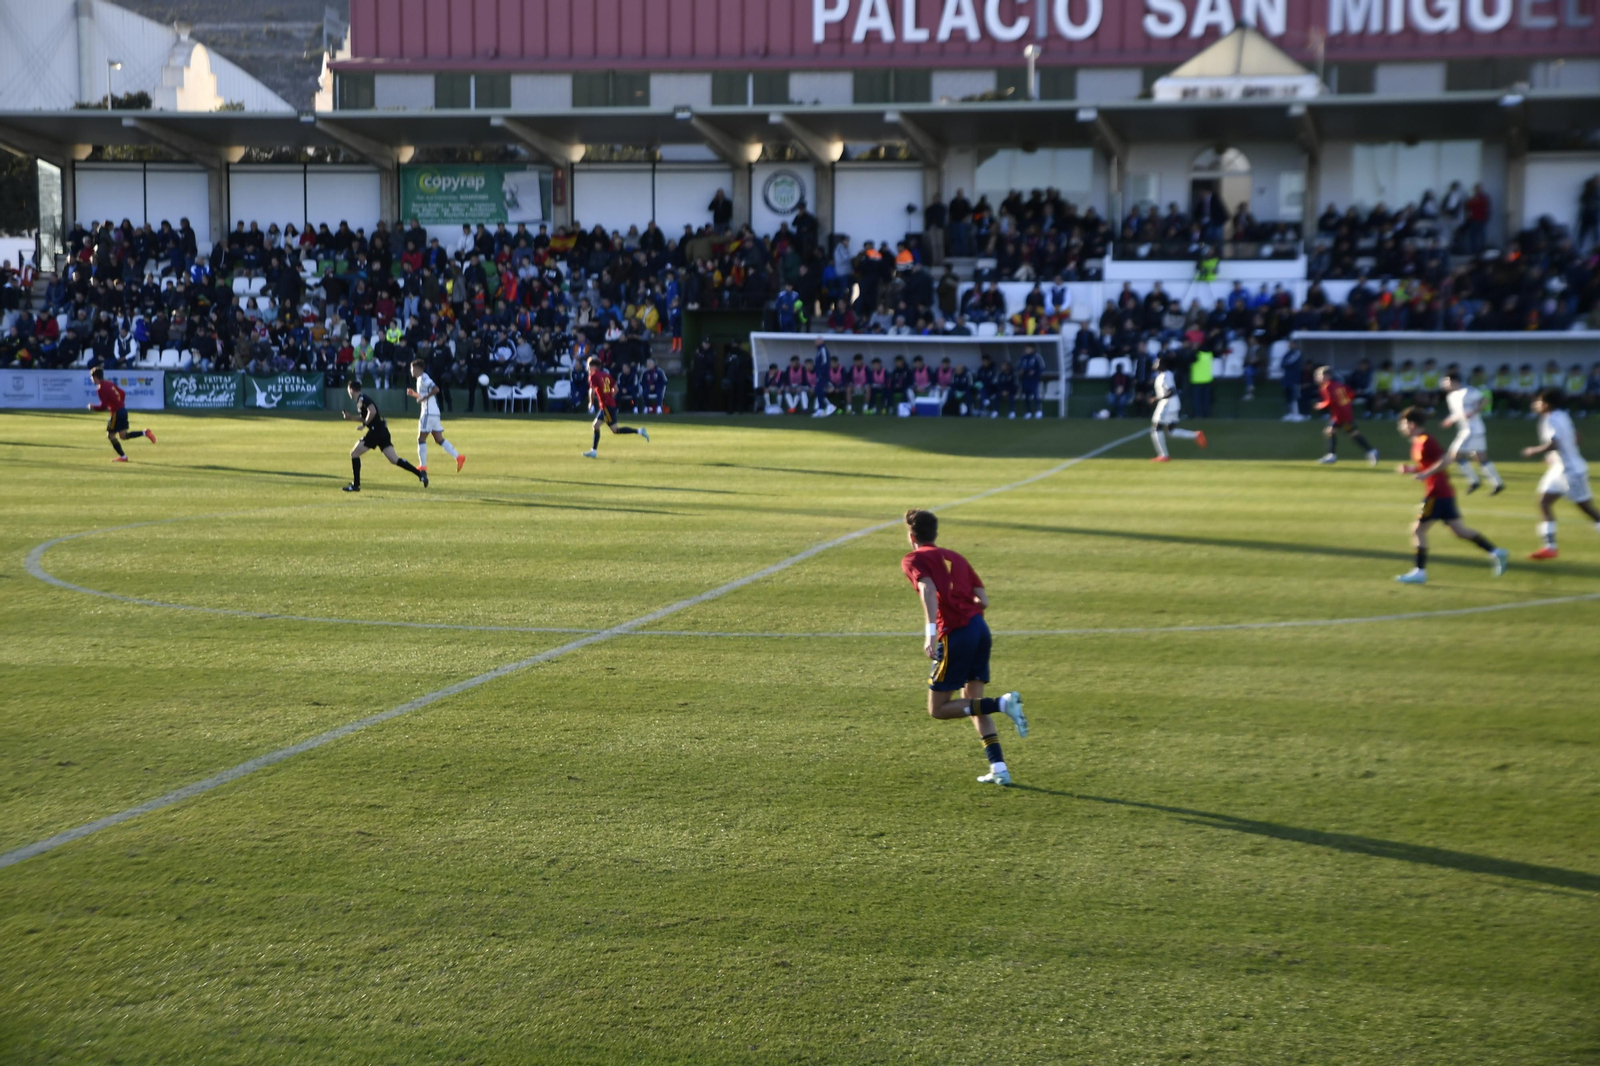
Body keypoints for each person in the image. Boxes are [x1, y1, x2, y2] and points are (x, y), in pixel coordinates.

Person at [900, 508, 1027, 788]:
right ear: (935, 533)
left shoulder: (913, 558)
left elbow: (928, 589)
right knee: (971, 703)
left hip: (956, 633)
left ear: (912, 537)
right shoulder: (955, 557)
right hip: (979, 629)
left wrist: (931, 633)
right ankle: (999, 768)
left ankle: (1003, 703)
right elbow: (983, 600)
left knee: (939, 709)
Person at [1392, 406, 1507, 583]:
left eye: (1403, 424)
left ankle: (1420, 572)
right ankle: (1496, 552)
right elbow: (1428, 464)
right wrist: (1411, 469)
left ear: (1412, 424)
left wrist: (1426, 474)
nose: (1401, 428)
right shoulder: (1418, 442)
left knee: (1418, 530)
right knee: (1459, 531)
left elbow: (1446, 459)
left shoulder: (1426, 440)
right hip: (1444, 492)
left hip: (1436, 493)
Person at [1523, 389, 1600, 560]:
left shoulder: (1551, 419)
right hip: (1559, 469)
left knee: (1587, 508)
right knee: (1544, 502)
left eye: (1538, 401)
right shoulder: (1562, 415)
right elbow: (1577, 438)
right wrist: (1555, 456)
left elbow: (1555, 443)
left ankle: (1550, 546)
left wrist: (1533, 450)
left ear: (1546, 404)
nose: (1535, 404)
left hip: (1572, 471)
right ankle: (1550, 547)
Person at [342, 379, 427, 492]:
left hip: (375, 431)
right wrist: (351, 417)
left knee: (354, 453)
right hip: (382, 430)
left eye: (348, 390)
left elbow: (372, 412)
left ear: (351, 390)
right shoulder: (360, 400)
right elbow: (366, 416)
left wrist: (364, 424)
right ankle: (420, 473)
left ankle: (356, 485)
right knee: (394, 459)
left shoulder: (362, 398)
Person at [1439, 369, 1500, 494]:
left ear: (1453, 381)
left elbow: (1485, 400)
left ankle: (1474, 481)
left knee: (1454, 455)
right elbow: (1457, 413)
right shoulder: (1451, 396)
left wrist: (1473, 412)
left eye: (1446, 381)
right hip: (1466, 429)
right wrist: (1449, 420)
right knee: (1480, 457)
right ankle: (1497, 483)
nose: (1444, 384)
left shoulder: (1468, 391)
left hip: (1472, 429)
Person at [583, 355, 649, 458]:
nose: (587, 368)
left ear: (593, 366)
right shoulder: (606, 375)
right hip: (607, 404)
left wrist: (591, 402)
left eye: (588, 366)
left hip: (606, 406)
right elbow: (616, 389)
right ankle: (593, 451)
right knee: (595, 426)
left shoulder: (593, 376)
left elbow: (591, 390)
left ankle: (640, 431)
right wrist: (609, 396)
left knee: (615, 430)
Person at [406, 357, 464, 474]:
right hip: (434, 412)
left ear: (417, 369)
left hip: (428, 412)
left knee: (421, 439)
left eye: (412, 368)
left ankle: (423, 466)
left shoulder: (423, 378)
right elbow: (425, 395)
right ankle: (459, 457)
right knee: (439, 439)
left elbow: (436, 389)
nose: (411, 371)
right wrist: (415, 395)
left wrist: (424, 397)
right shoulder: (421, 379)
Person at [1313, 366, 1378, 466]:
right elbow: (1351, 394)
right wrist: (1345, 404)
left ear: (1327, 376)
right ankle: (1331, 455)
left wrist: (1320, 405)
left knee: (1350, 433)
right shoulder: (1338, 385)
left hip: (1341, 416)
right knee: (1338, 432)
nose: (1317, 378)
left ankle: (1371, 451)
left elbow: (1331, 401)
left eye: (1319, 375)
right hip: (1345, 413)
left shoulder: (1327, 386)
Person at [87, 365, 154, 461]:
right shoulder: (109, 383)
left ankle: (123, 457)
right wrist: (120, 403)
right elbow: (122, 393)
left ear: (95, 377)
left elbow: (104, 406)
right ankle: (145, 433)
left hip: (117, 413)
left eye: (92, 377)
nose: (91, 379)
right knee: (123, 436)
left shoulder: (101, 388)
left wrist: (93, 407)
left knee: (110, 436)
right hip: (123, 410)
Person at [1149, 356, 1207, 462]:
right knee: (1171, 431)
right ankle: (1196, 435)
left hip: (1167, 404)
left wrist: (1157, 399)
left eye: (1158, 362)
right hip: (1172, 404)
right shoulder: (1164, 375)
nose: (1156, 364)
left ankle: (1163, 455)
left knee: (1156, 428)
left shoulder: (1165, 375)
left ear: (1163, 364)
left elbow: (1171, 391)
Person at [1016, 344, 1045, 419]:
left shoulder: (1037, 357)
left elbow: (1042, 367)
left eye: (1028, 349)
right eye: (1026, 349)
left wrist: (1035, 371)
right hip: (1025, 379)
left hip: (1034, 379)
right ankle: (1028, 412)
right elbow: (1018, 366)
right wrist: (1020, 371)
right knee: (1026, 396)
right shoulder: (1023, 357)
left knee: (1036, 395)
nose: (1027, 350)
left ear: (1033, 349)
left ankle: (1038, 411)